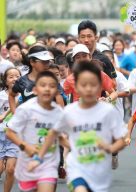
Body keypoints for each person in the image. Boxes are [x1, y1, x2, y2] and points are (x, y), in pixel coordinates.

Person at [28, 61, 127, 192]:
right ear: (76, 87)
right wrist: (38, 158)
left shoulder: (108, 112)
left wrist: (110, 148)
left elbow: (122, 139)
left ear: (100, 87)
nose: (88, 88)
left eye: (93, 84)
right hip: (77, 167)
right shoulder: (70, 111)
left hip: (99, 171)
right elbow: (53, 133)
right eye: (83, 85)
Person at [6, 71, 64, 192]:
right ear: (35, 90)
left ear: (56, 91)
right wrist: (26, 147)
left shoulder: (58, 112)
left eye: (52, 86)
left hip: (49, 164)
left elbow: (61, 137)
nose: (47, 89)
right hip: (27, 164)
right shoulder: (25, 109)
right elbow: (10, 133)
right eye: (43, 85)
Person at [8, 45, 65, 113]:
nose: (47, 64)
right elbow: (11, 95)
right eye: (43, 61)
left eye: (48, 61)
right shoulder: (22, 81)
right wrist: (15, 113)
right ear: (32, 62)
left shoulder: (52, 80)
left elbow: (60, 106)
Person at [0, 67, 21, 192]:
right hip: (1, 134)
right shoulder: (1, 96)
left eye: (17, 76)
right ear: (5, 80)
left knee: (10, 169)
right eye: (11, 76)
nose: (14, 79)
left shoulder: (24, 96)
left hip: (15, 136)